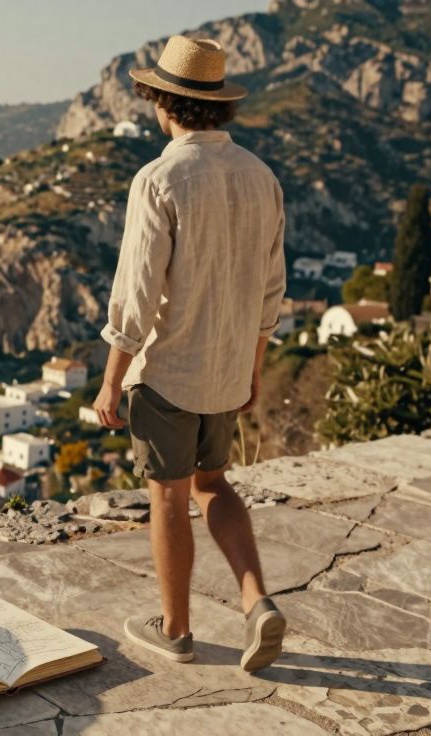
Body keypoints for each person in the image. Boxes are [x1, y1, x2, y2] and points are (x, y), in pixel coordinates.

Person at [91, 34, 288, 673]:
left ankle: (175, 629)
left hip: (169, 374)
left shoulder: (159, 178)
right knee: (214, 485)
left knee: (170, 497)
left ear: (161, 103)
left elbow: (136, 294)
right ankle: (257, 600)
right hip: (228, 371)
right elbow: (271, 289)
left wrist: (111, 381)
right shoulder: (262, 177)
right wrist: (253, 370)